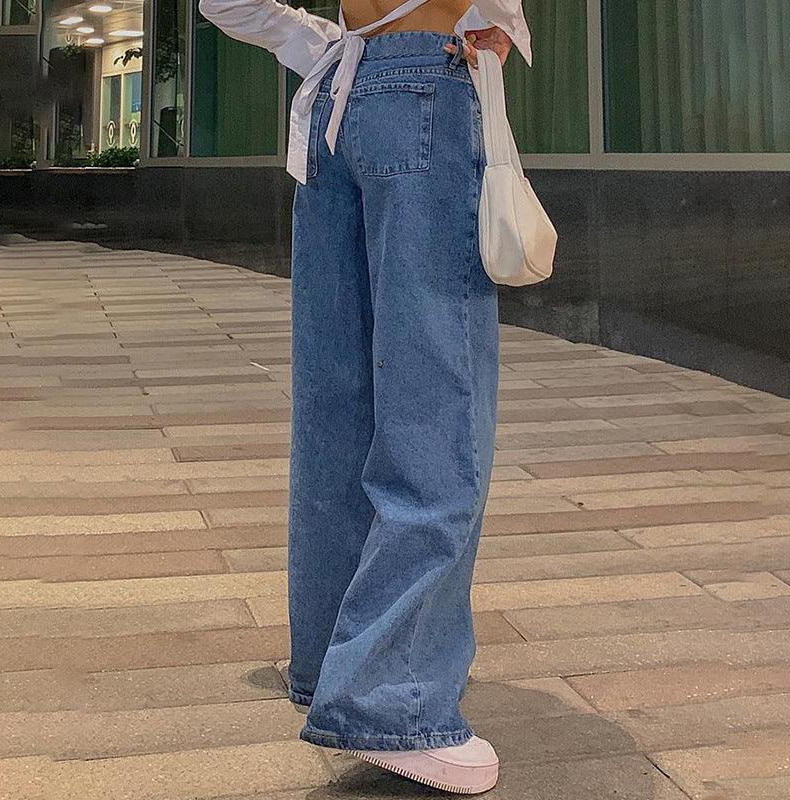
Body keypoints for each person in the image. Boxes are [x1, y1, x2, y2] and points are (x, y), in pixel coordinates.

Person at [197, 0, 532, 792]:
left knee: (337, 410)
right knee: (435, 402)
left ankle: (332, 660)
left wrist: (315, 39)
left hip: (340, 106)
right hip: (424, 92)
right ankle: (394, 698)